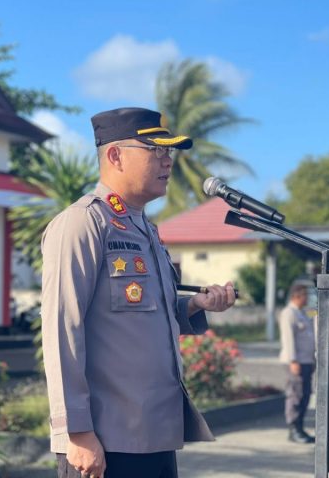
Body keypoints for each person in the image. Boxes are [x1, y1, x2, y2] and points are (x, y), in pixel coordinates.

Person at [40, 107, 236, 478]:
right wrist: (77, 432)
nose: (167, 161)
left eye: (169, 151)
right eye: (155, 150)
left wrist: (193, 305)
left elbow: (142, 312)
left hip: (155, 434)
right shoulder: (83, 223)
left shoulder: (144, 229)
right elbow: (60, 330)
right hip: (105, 439)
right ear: (115, 155)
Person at [278, 283, 315, 444]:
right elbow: (288, 339)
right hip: (296, 362)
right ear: (296, 296)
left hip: (306, 361)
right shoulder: (289, 313)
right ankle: (293, 429)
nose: (307, 298)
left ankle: (300, 427)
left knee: (305, 395)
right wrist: (293, 360)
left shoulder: (302, 313)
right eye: (305, 295)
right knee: (295, 395)